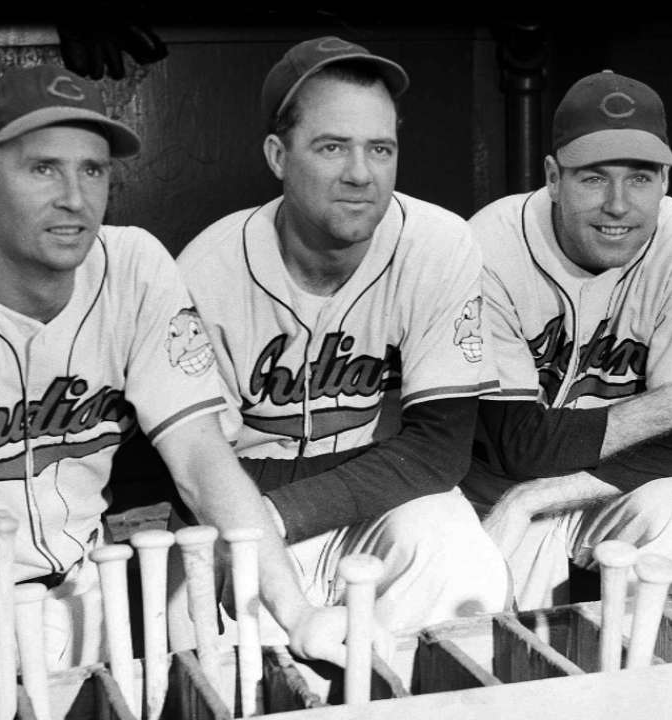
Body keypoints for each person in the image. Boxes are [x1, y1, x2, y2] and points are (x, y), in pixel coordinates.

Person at [0, 64, 355, 720]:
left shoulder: (136, 268)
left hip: (83, 592)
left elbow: (202, 458)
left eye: (93, 171)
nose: (75, 198)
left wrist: (296, 609)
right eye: (43, 168)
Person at [174, 37, 509, 638]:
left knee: (462, 557)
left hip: (362, 510)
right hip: (243, 518)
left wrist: (280, 509)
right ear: (278, 155)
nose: (361, 174)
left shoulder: (437, 243)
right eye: (332, 147)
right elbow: (201, 467)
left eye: (380, 149)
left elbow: (439, 452)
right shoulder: (206, 270)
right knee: (211, 639)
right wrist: (256, 517)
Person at [460, 70, 672, 609]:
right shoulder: (488, 244)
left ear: (665, 181)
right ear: (552, 177)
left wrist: (539, 494)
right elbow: (515, 444)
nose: (618, 204)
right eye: (593, 177)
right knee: (502, 648)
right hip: (489, 492)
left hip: (602, 487)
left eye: (639, 177)